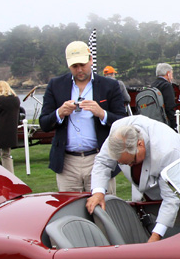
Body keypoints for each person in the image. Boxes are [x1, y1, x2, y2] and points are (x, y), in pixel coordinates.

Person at [86, 117, 180, 242]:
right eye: (123, 163)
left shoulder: (167, 151)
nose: (129, 166)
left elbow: (171, 199)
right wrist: (98, 193)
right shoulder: (118, 133)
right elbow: (103, 162)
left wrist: (156, 236)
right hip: (151, 189)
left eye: (132, 162)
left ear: (140, 144)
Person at [40, 40, 127, 192]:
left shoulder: (110, 86)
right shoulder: (55, 85)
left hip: (100, 158)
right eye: (75, 66)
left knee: (103, 209)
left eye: (83, 64)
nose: (79, 69)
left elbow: (123, 121)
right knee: (71, 210)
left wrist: (102, 113)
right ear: (68, 65)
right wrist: (59, 113)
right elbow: (44, 123)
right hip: (67, 163)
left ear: (90, 60)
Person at [0, 81, 21, 173]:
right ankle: (10, 174)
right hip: (10, 132)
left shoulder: (0, 100)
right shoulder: (16, 99)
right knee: (6, 154)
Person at [151, 63, 179, 128]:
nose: (172, 77)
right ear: (168, 73)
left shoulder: (153, 84)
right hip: (165, 120)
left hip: (155, 119)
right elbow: (170, 105)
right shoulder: (167, 85)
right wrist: (173, 124)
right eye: (172, 74)